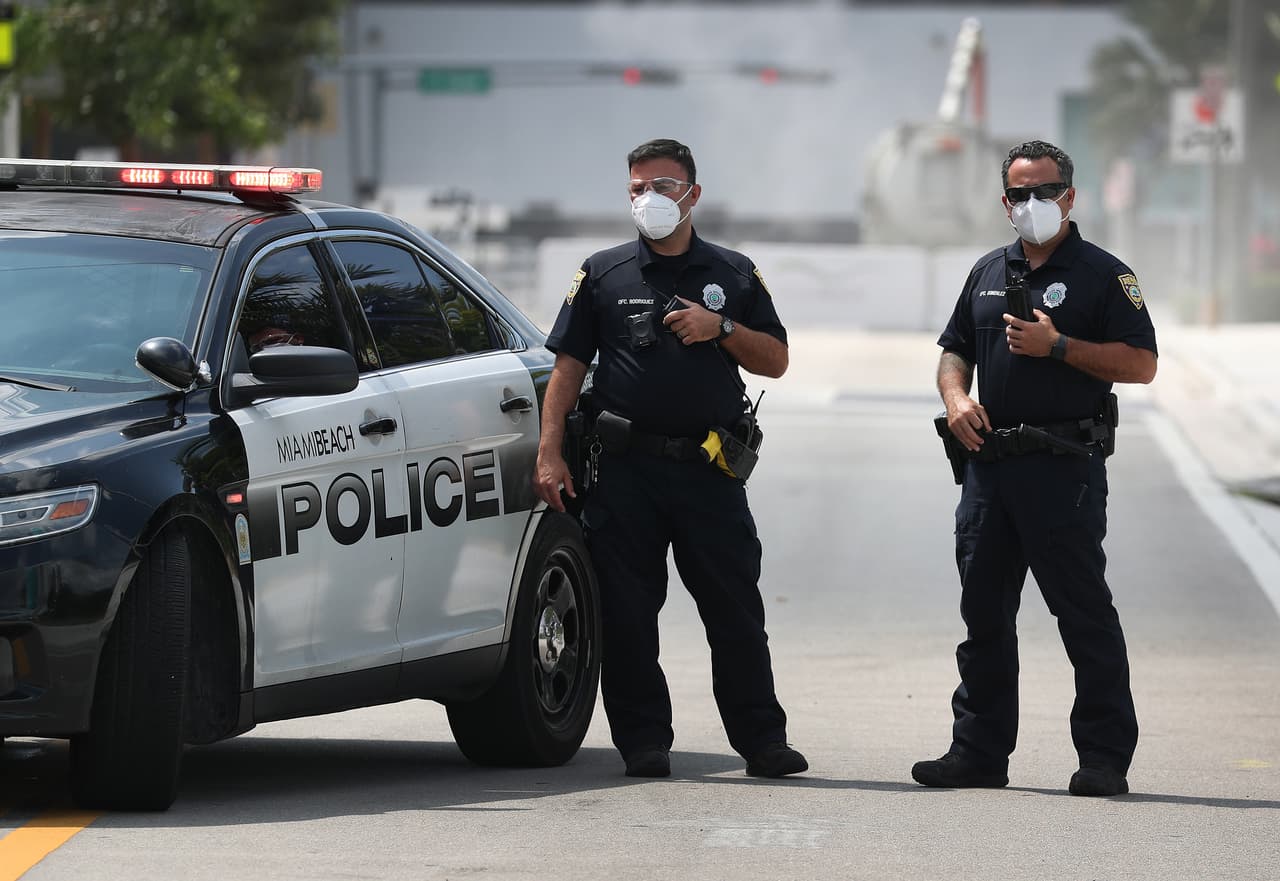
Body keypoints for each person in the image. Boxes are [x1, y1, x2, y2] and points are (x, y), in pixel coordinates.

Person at [533, 138, 807, 780]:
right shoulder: (602, 273)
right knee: (628, 615)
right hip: (625, 471)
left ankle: (762, 741)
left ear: (692, 195)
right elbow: (567, 368)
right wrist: (549, 452)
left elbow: (776, 360)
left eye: (662, 186)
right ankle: (644, 741)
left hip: (709, 469)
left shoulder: (733, 273)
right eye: (637, 188)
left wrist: (723, 329)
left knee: (736, 612)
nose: (648, 198)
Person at [916, 139, 1157, 797]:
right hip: (989, 471)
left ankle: (1103, 757)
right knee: (983, 617)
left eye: (1045, 191)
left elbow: (1141, 364)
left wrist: (1060, 346)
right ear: (1005, 202)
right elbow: (953, 351)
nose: (1032, 203)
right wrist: (956, 398)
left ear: (1069, 196)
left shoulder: (1104, 275)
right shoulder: (987, 271)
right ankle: (978, 753)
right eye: (1019, 193)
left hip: (1062, 467)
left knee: (1083, 614)